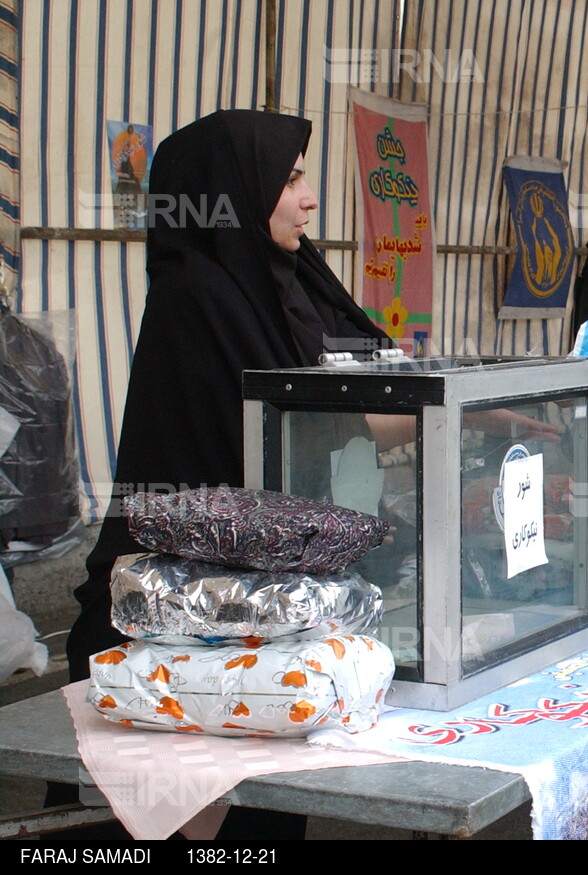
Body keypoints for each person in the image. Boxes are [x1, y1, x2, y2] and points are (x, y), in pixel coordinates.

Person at [57, 110, 390, 840]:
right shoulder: (201, 299)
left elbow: (376, 375)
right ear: (236, 191)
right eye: (291, 178)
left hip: (263, 612)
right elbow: (338, 410)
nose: (309, 199)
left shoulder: (284, 278)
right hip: (178, 625)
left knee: (268, 823)